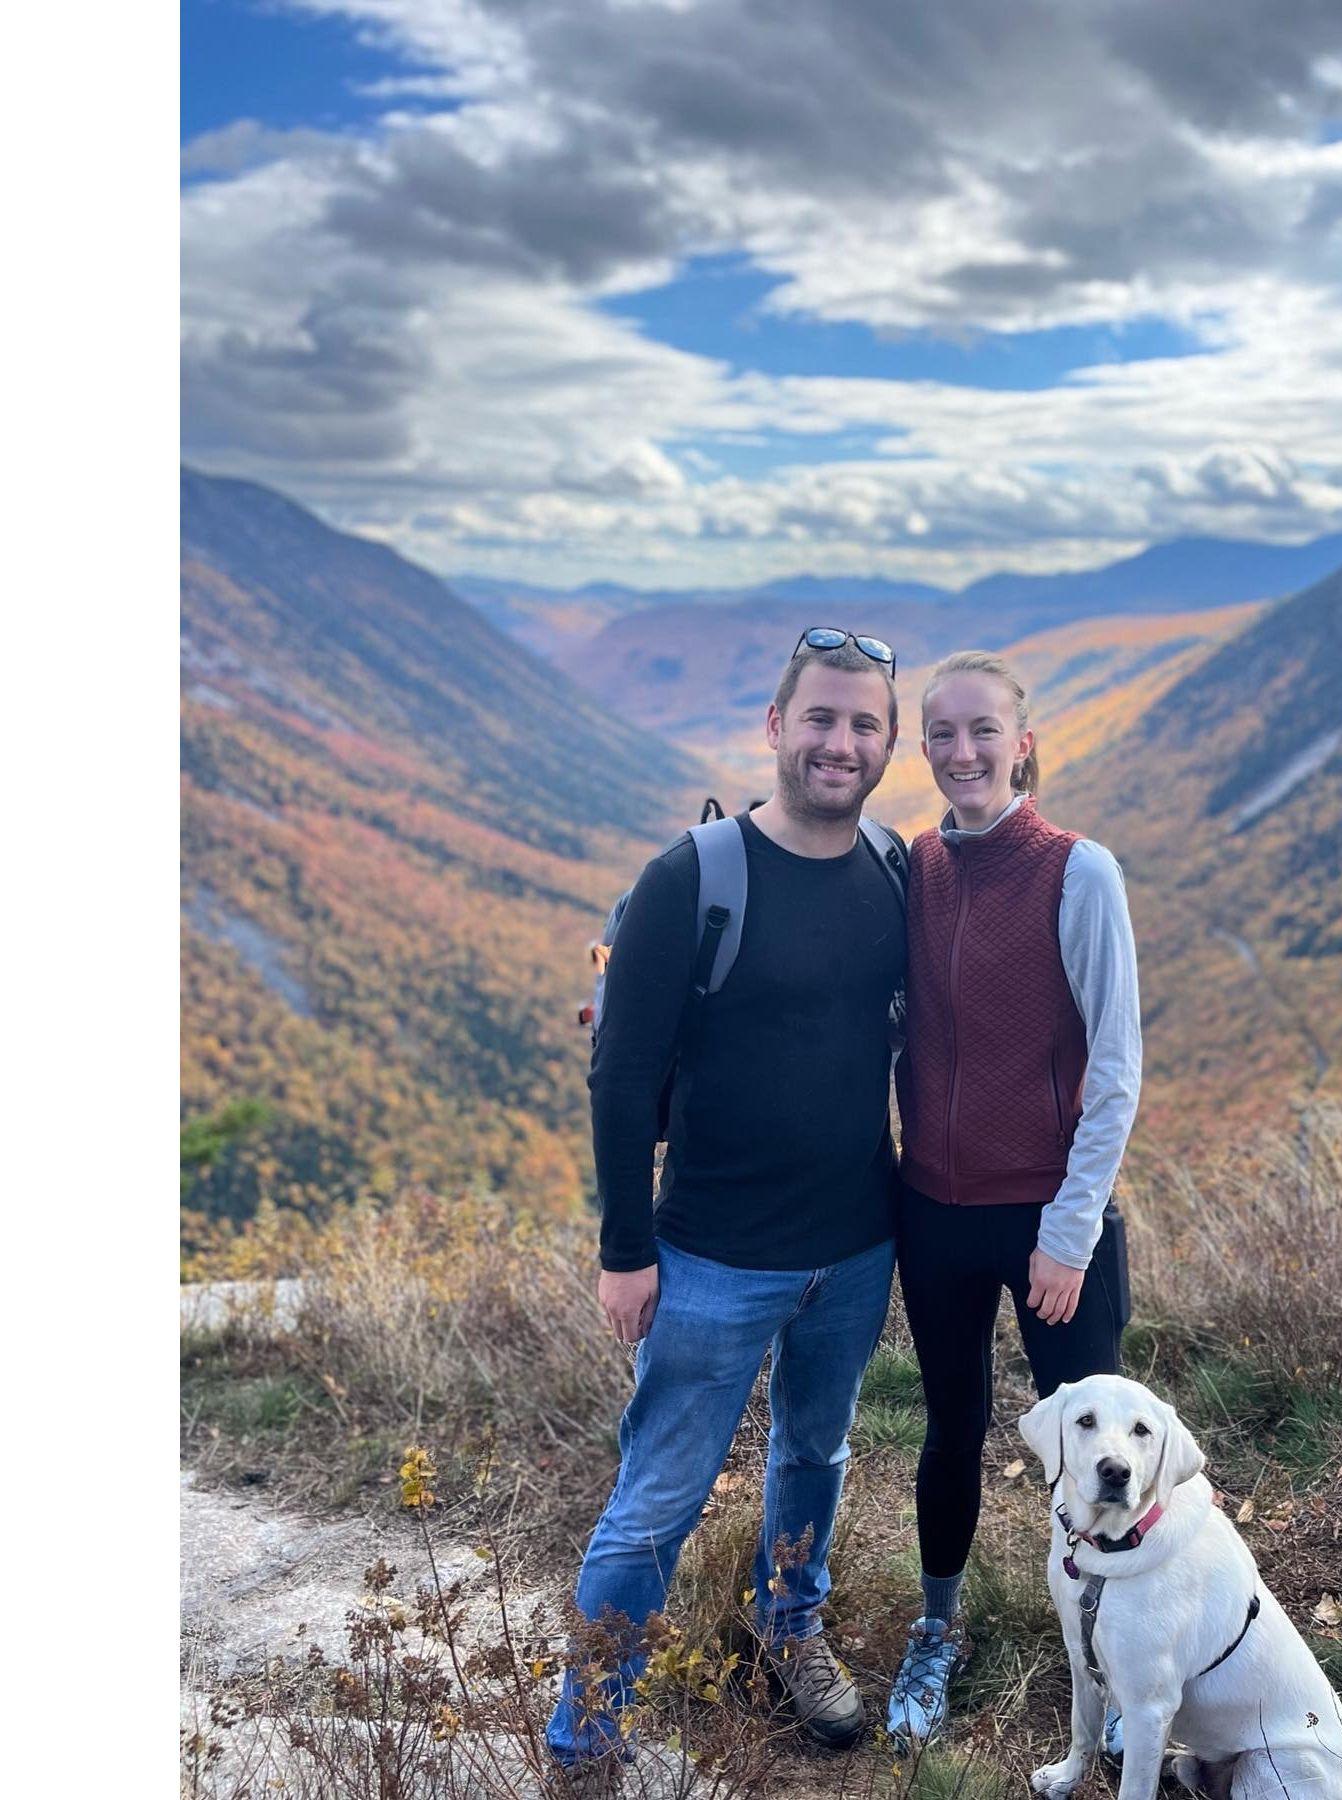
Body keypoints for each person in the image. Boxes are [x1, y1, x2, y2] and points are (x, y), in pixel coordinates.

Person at [546, 631, 908, 1772]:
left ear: (887, 743)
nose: (840, 743)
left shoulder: (895, 866)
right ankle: (585, 1741)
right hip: (708, 1257)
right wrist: (625, 1249)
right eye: (821, 720)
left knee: (818, 1455)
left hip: (855, 1248)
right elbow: (618, 1072)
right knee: (656, 1504)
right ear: (775, 727)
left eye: (863, 725)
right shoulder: (692, 877)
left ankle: (788, 1629)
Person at [883, 649, 1143, 1745]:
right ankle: (939, 1632)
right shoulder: (916, 868)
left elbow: (1118, 1067)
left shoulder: (1079, 871)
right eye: (940, 734)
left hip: (1049, 1223)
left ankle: (1126, 1657)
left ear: (1022, 742)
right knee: (951, 1428)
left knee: (1099, 1453)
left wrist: (1069, 1234)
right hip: (933, 1215)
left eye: (982, 731)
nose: (961, 752)